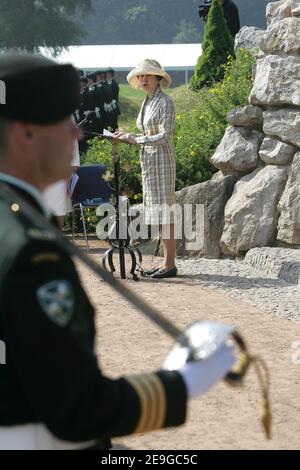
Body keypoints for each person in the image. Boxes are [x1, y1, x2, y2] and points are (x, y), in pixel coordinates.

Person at [0, 53, 235, 450]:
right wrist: (182, 382)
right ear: (25, 134)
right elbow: (76, 408)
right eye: (64, 123)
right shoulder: (29, 252)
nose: (76, 137)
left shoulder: (20, 219)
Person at [114, 59, 178, 279]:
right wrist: (124, 136)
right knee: (158, 213)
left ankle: (170, 264)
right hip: (149, 163)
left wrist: (137, 139)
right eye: (140, 76)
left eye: (146, 76)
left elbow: (165, 136)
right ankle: (165, 263)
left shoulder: (165, 101)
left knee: (165, 213)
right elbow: (143, 133)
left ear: (157, 78)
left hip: (162, 161)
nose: (142, 79)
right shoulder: (146, 102)